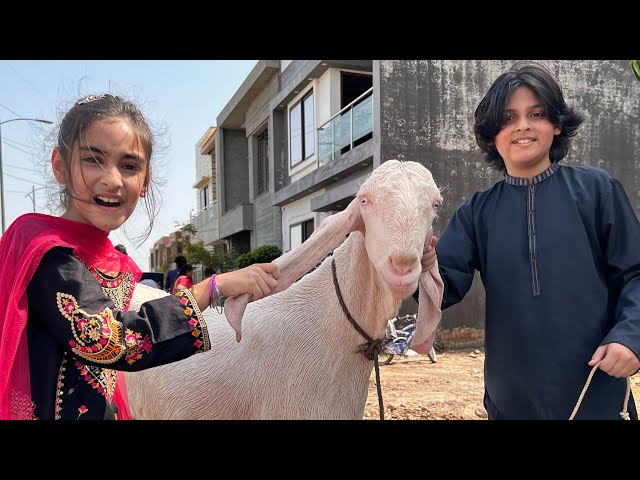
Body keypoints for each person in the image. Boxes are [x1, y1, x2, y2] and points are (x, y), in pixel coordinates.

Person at [0, 93, 280, 420]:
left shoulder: (115, 265)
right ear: (60, 166)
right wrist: (212, 289)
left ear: (144, 181)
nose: (113, 179)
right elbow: (108, 340)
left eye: (129, 166)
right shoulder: (46, 248)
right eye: (93, 159)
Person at [418, 62, 640, 420]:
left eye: (535, 114)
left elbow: (636, 273)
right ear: (492, 135)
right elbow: (442, 286)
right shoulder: (477, 212)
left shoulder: (597, 191)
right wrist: (421, 264)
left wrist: (631, 336)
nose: (522, 125)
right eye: (508, 118)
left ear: (556, 125)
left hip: (594, 391)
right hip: (511, 400)